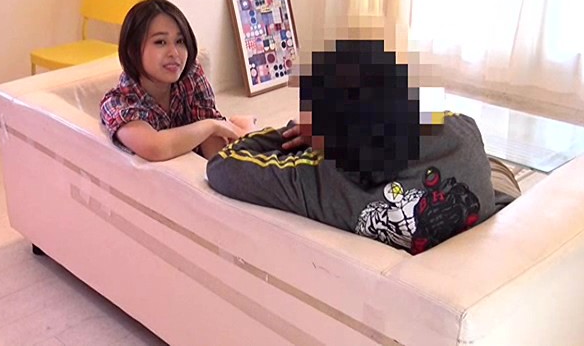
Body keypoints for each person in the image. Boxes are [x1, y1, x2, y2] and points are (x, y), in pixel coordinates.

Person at [206, 40, 513, 254]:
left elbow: (222, 164)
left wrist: (292, 132)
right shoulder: (462, 130)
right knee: (498, 172)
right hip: (489, 268)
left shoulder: (318, 179)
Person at [100, 0, 250, 161]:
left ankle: (245, 124)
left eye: (180, 41)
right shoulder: (117, 103)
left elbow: (213, 143)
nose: (174, 53)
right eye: (160, 42)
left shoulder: (191, 75)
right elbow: (156, 148)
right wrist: (211, 126)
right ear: (132, 49)